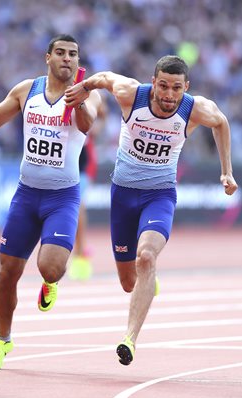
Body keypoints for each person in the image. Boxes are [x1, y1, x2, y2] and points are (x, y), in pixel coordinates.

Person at [64, 55, 238, 366]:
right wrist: (84, 86)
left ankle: (129, 338)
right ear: (153, 82)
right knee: (129, 282)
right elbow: (104, 77)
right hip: (123, 196)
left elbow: (221, 122)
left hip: (159, 195)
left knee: (146, 256)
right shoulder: (132, 94)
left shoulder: (194, 108)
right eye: (163, 86)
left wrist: (226, 170)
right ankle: (148, 280)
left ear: (186, 87)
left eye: (176, 88)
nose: (169, 95)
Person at [0, 34, 101, 369]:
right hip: (27, 195)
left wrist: (78, 101)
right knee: (6, 274)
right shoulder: (26, 90)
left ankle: (50, 284)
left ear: (78, 61)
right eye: (60, 53)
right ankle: (2, 342)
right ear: (48, 57)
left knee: (51, 267)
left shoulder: (82, 96)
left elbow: (88, 125)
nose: (67, 59)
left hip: (62, 198)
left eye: (73, 54)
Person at [68, 101, 107, 281]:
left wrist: (97, 124)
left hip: (83, 163)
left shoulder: (89, 98)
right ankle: (76, 249)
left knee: (78, 205)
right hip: (64, 159)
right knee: (71, 206)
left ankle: (80, 252)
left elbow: (102, 111)